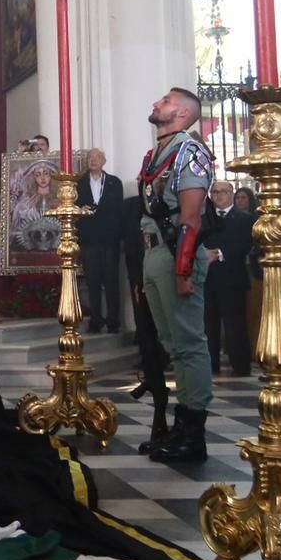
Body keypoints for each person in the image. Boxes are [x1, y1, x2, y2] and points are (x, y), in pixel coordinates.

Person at [136, 86, 215, 463]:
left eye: (164, 101)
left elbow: (191, 216)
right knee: (171, 343)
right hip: (155, 255)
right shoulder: (157, 155)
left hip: (175, 255)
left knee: (188, 343)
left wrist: (183, 268)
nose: (156, 102)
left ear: (183, 113)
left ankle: (192, 432)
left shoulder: (190, 151)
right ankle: (179, 428)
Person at [122, 193, 169, 452]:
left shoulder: (174, 200)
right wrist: (137, 280)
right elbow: (130, 245)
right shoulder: (131, 205)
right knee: (147, 333)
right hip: (141, 274)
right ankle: (154, 380)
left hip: (169, 270)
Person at [202, 179, 255, 376]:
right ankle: (211, 365)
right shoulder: (205, 219)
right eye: (215, 192)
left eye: (222, 192)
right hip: (209, 279)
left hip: (233, 278)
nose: (218, 195)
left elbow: (245, 244)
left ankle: (240, 366)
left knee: (235, 324)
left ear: (231, 194)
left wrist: (220, 253)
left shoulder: (245, 219)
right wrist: (204, 254)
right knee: (209, 324)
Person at [76, 148, 124, 333]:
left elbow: (119, 211)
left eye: (96, 158)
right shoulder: (79, 184)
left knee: (112, 282)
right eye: (90, 158)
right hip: (88, 240)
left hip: (109, 239)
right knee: (92, 282)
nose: (93, 160)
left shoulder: (114, 182)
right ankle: (95, 319)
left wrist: (120, 238)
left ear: (103, 161)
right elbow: (75, 209)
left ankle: (113, 320)